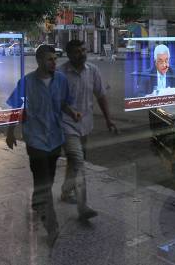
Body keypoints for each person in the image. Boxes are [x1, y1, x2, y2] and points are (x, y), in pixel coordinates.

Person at [5, 44, 81, 245]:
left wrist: (72, 113)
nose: (54, 63)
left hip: (55, 140)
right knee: (43, 181)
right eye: (50, 59)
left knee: (48, 179)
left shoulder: (61, 81)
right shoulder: (27, 82)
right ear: (39, 61)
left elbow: (64, 103)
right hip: (36, 141)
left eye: (55, 59)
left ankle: (37, 204)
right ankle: (52, 226)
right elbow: (16, 108)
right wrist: (10, 132)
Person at [58, 39, 118, 220]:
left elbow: (101, 96)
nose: (82, 54)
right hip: (66, 125)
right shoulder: (60, 74)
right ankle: (83, 206)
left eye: (83, 50)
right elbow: (55, 101)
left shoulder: (93, 71)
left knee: (76, 160)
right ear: (69, 55)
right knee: (78, 161)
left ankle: (66, 192)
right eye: (77, 51)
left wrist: (108, 120)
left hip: (85, 125)